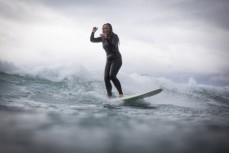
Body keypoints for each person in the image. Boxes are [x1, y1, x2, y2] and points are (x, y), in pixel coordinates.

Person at [90, 23, 123, 98]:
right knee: (106, 78)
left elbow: (113, 46)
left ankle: (121, 94)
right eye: (104, 28)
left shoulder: (115, 36)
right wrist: (93, 32)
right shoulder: (102, 38)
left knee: (112, 76)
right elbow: (92, 40)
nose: (105, 29)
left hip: (116, 58)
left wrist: (106, 38)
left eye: (107, 28)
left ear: (110, 29)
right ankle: (109, 96)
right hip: (109, 60)